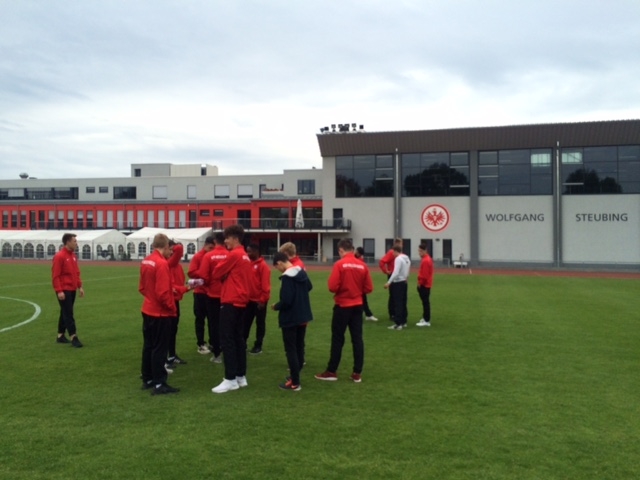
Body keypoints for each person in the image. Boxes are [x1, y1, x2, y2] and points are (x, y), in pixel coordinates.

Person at [315, 238, 373, 383]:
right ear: (352, 249)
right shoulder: (362, 265)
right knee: (357, 339)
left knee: (338, 338)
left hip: (342, 305)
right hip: (357, 305)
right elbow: (369, 288)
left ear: (341, 250)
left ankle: (332, 371)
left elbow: (332, 287)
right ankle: (357, 372)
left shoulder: (340, 264)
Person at [211, 225, 253, 394]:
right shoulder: (244, 256)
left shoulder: (234, 254)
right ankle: (240, 376)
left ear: (235, 238)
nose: (225, 241)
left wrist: (225, 274)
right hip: (241, 301)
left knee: (227, 340)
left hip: (231, 300)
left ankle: (230, 379)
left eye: (227, 238)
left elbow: (216, 272)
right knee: (238, 340)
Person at [139, 233, 180, 395]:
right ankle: (159, 383)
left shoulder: (146, 260)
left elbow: (142, 287)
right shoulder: (162, 263)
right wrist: (171, 308)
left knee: (149, 346)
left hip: (147, 309)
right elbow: (163, 293)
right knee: (160, 348)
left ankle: (148, 378)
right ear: (166, 246)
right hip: (159, 313)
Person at [272, 252, 313, 391]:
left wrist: (276, 306)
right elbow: (309, 287)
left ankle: (295, 382)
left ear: (280, 263)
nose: (278, 270)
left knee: (291, 349)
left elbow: (287, 301)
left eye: (276, 267)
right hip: (303, 314)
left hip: (291, 317)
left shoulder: (287, 277)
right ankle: (295, 375)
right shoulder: (301, 271)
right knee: (299, 347)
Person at [197, 232, 228, 364]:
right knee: (227, 324)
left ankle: (217, 354)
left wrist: (210, 284)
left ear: (215, 241)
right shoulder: (230, 255)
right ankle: (228, 350)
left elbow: (203, 276)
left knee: (214, 325)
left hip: (213, 295)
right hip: (227, 295)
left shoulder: (209, 255)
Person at [52, 233, 84, 348]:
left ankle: (60, 335)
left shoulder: (73, 256)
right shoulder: (60, 256)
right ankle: (73, 336)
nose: (76, 243)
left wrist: (80, 286)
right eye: (74, 241)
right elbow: (56, 275)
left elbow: (76, 272)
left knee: (65, 311)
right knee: (68, 313)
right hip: (64, 289)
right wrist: (59, 290)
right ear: (67, 242)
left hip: (72, 288)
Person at [187, 236, 214, 354]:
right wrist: (204, 272)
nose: (212, 250)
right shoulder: (198, 256)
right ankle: (201, 343)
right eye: (210, 247)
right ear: (205, 245)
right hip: (200, 293)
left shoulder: (213, 256)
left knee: (212, 320)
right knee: (200, 319)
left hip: (212, 292)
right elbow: (191, 272)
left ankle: (213, 342)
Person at [243, 243, 271, 355]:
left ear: (256, 252)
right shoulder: (247, 263)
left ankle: (258, 345)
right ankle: (243, 343)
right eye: (247, 251)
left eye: (249, 251)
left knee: (260, 324)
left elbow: (265, 285)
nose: (248, 253)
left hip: (259, 300)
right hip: (248, 299)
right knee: (245, 323)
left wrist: (263, 300)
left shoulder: (263, 266)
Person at [166, 240, 190, 369]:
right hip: (169, 300)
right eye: (170, 249)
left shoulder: (176, 265)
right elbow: (179, 248)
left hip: (175, 300)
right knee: (167, 330)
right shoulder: (168, 263)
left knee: (173, 329)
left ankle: (171, 355)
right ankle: (166, 358)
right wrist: (185, 288)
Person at [384, 245, 411, 330]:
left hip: (398, 282)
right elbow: (408, 269)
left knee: (397, 303)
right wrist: (406, 277)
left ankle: (398, 323)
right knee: (403, 302)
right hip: (404, 282)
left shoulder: (398, 259)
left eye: (393, 252)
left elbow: (395, 272)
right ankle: (404, 321)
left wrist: (388, 282)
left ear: (396, 251)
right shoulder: (406, 258)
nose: (393, 254)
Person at [379, 238, 403, 321]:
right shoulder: (391, 253)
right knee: (393, 295)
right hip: (392, 275)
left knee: (397, 295)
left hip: (398, 276)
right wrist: (385, 271)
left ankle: (396, 313)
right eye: (401, 244)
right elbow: (382, 261)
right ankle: (392, 313)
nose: (402, 245)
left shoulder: (399, 254)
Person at [355, 247, 378, 321]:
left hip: (359, 284)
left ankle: (365, 315)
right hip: (359, 284)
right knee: (362, 300)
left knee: (361, 300)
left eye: (356, 251)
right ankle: (367, 314)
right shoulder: (360, 260)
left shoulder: (359, 260)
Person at [416, 243, 434, 327]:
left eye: (421, 251)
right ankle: (425, 317)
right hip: (426, 284)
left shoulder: (426, 260)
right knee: (425, 302)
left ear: (425, 251)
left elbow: (425, 275)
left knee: (425, 302)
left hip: (425, 285)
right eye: (419, 251)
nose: (419, 253)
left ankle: (426, 320)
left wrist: (420, 283)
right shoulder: (426, 259)